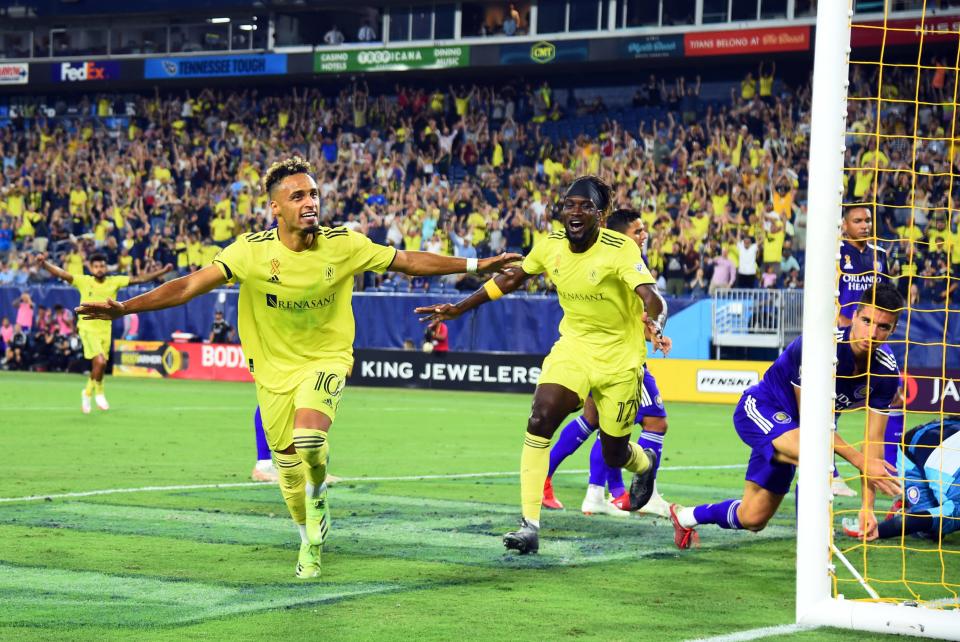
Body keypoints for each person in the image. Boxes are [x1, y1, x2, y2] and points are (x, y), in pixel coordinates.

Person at [76, 157, 519, 578]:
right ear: (275, 207)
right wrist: (124, 308)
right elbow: (190, 284)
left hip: (326, 359)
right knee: (286, 469)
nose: (310, 202)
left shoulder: (344, 244)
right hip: (271, 370)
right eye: (297, 196)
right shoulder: (249, 252)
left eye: (314, 194)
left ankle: (320, 489)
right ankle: (308, 534)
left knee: (310, 438)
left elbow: (405, 261)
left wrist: (478, 265)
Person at [416, 176, 667, 554]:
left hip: (620, 359)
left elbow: (652, 297)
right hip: (575, 348)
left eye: (585, 206)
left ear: (602, 215)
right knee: (541, 415)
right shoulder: (550, 245)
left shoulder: (621, 249)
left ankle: (644, 464)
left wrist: (654, 320)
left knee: (615, 452)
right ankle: (529, 525)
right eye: (569, 205)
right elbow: (513, 276)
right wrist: (459, 307)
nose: (575, 212)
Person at [670, 283, 904, 550]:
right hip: (762, 409)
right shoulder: (820, 348)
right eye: (866, 321)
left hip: (799, 435)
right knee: (815, 455)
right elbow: (812, 422)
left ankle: (685, 516)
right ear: (855, 316)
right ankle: (813, 549)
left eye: (883, 327)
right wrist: (860, 461)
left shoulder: (885, 372)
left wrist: (867, 507)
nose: (872, 333)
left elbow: (873, 442)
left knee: (752, 517)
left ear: (893, 330)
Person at [541, 209, 674, 519]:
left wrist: (652, 331)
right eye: (637, 231)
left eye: (644, 230)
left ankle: (595, 493)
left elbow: (628, 315)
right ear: (618, 236)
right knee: (654, 421)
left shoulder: (623, 261)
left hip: (600, 357)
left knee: (596, 422)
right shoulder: (618, 262)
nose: (644, 235)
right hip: (618, 362)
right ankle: (643, 493)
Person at [37, 252, 171, 414]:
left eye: (102, 266)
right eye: (96, 266)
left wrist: (162, 271)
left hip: (105, 329)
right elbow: (62, 274)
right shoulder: (84, 281)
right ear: (91, 268)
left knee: (99, 365)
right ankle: (99, 392)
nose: (99, 269)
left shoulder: (114, 282)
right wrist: (44, 264)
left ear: (106, 267)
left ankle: (87, 393)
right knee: (100, 362)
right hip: (87, 328)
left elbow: (140, 279)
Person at [844, 416, 960, 541]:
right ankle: (902, 508)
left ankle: (907, 502)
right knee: (929, 530)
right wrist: (881, 530)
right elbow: (924, 520)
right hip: (914, 444)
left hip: (950, 425)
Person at [838, 205, 888, 327]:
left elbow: (885, 295)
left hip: (872, 330)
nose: (865, 226)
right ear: (844, 224)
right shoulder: (835, 252)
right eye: (857, 221)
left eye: (868, 221)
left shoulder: (880, 254)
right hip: (841, 329)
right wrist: (840, 319)